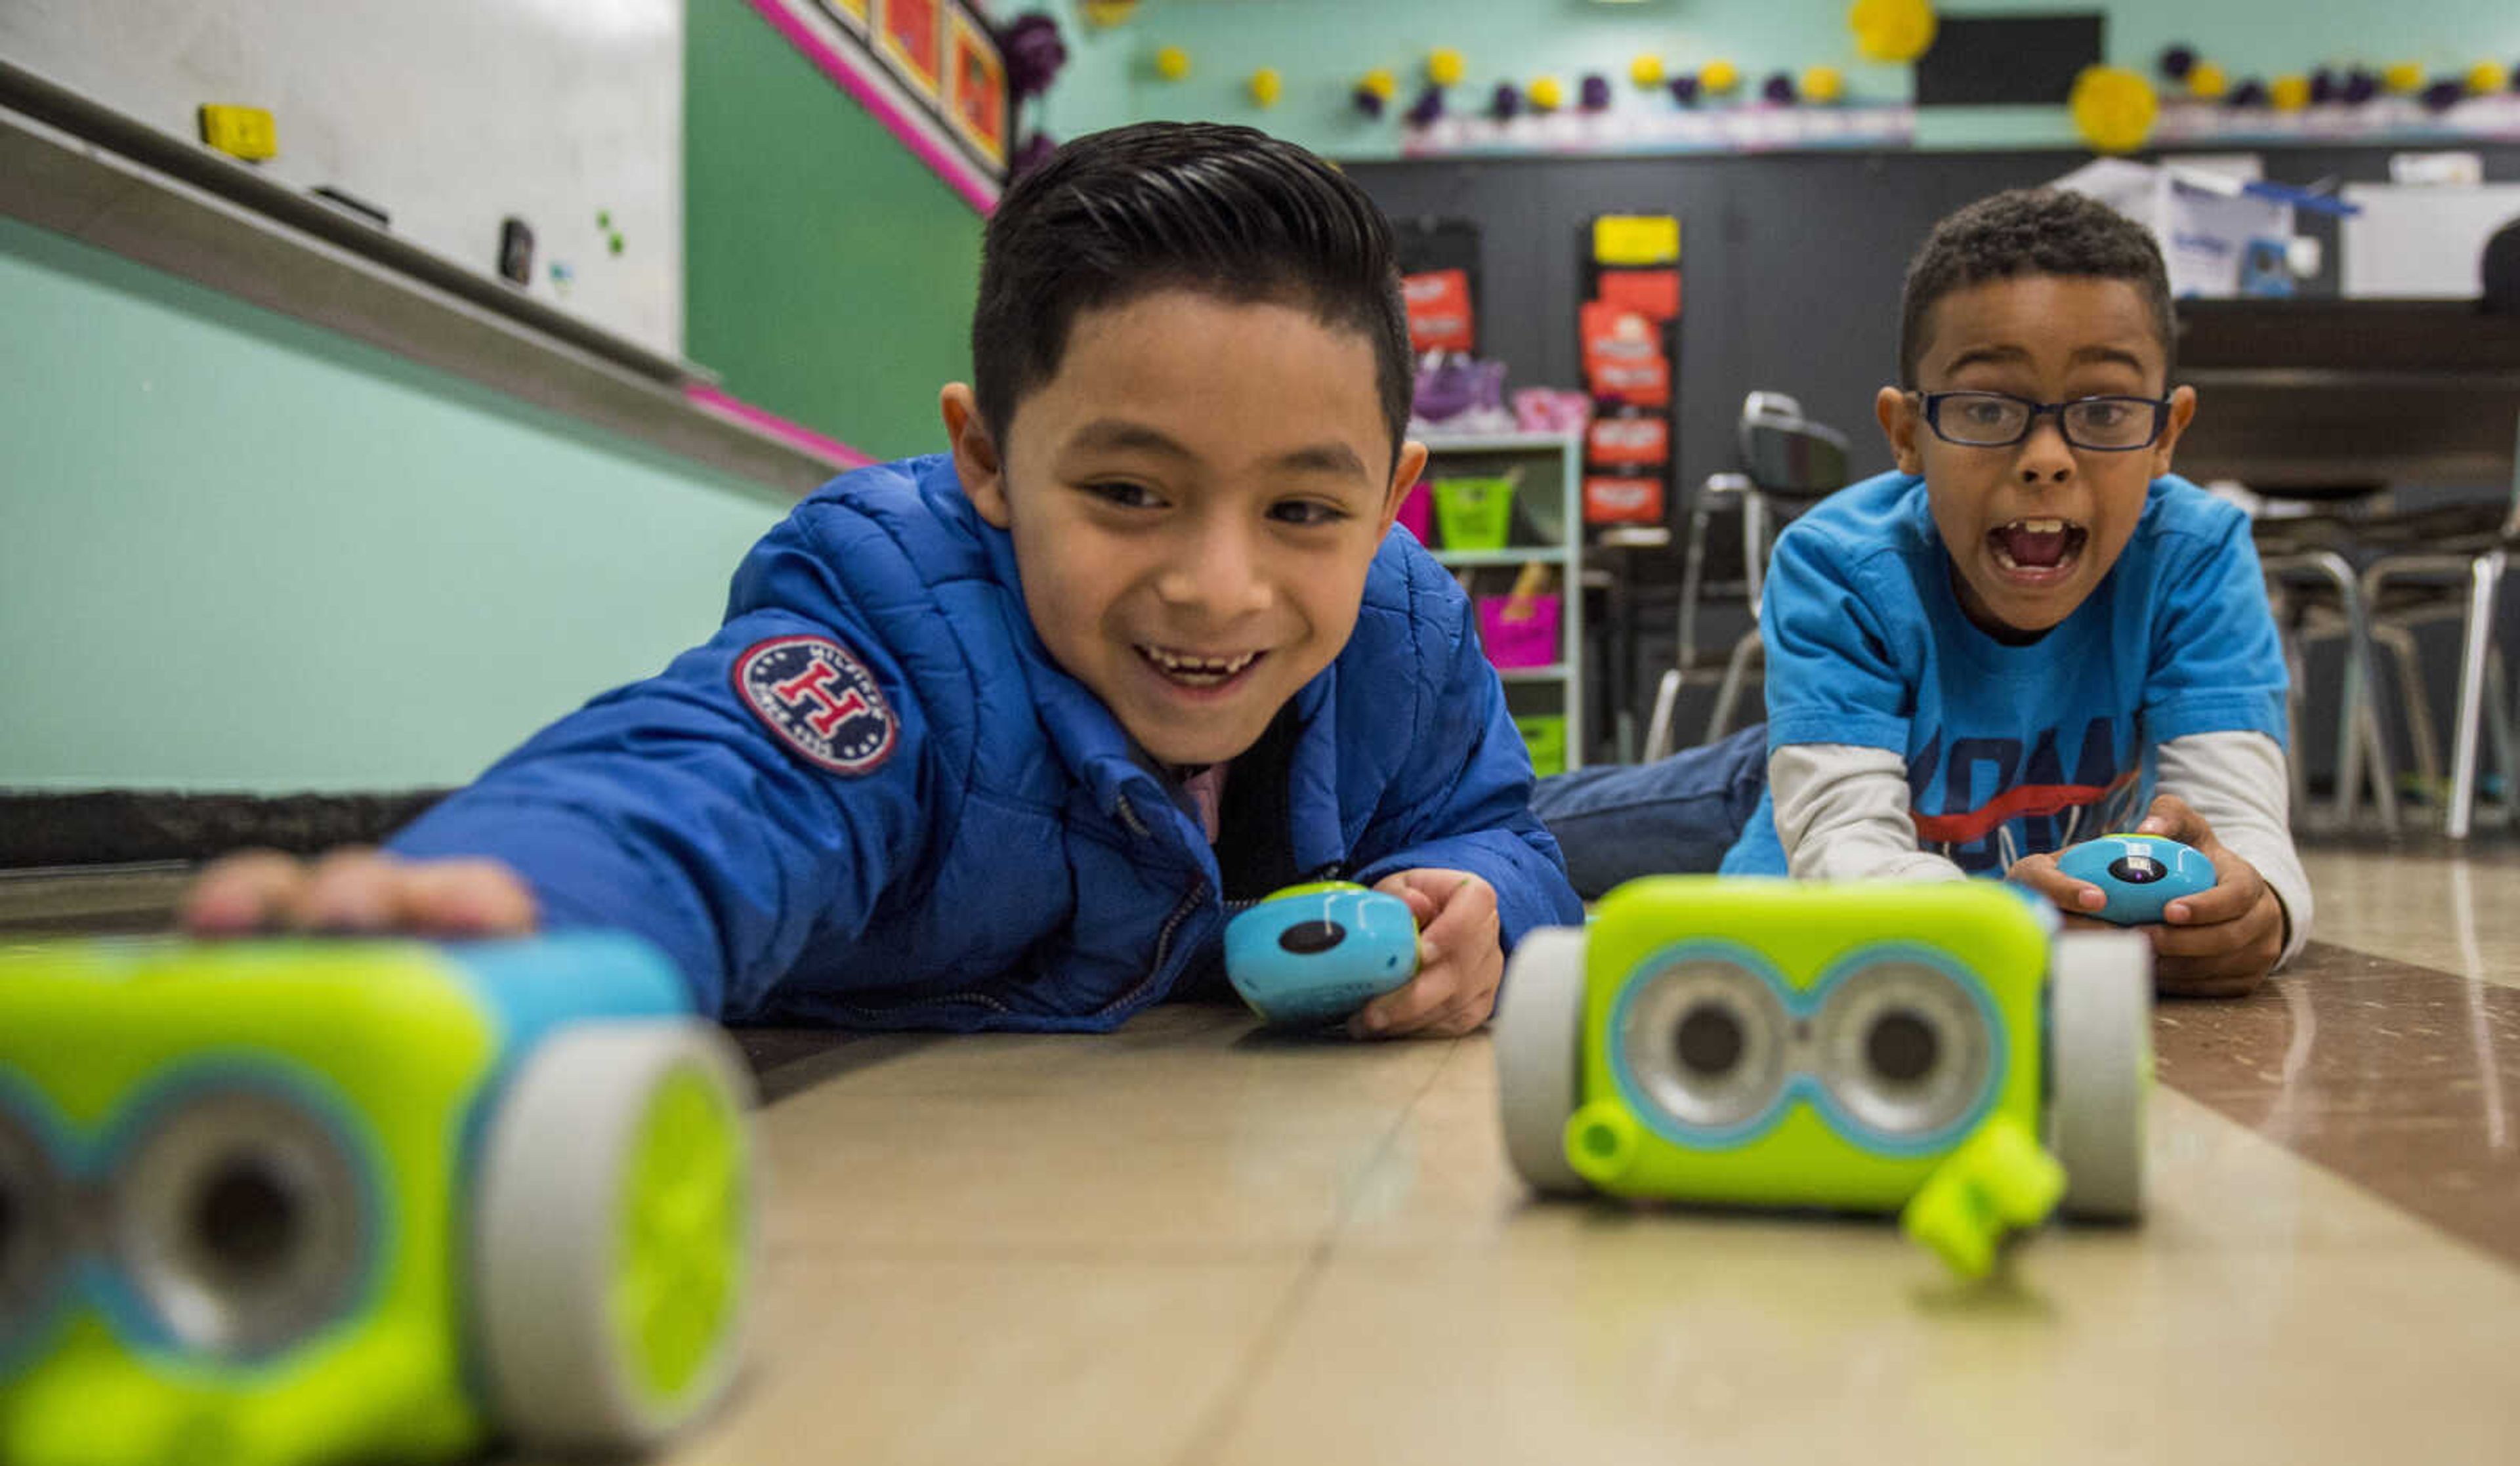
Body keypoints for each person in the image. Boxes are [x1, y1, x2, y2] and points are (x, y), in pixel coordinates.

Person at [182, 122, 1582, 1034]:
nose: (1220, 587)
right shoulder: (895, 612)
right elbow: (705, 786)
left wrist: (1470, 900)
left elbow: (1504, 831)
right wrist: (508, 917)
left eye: (1301, 508)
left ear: (1396, 504)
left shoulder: (1408, 626)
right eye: (1128, 493)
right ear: (984, 457)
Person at [1536, 186, 2308, 997]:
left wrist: (2257, 908)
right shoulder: (1842, 564)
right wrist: (2017, 924)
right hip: (1806, 773)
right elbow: (1843, 849)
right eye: (1984, 407)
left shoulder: (2199, 556)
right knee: (1514, 828)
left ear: (2167, 435)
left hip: (1880, 778)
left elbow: (2246, 834)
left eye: (2108, 409)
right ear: (1906, 433)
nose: (2047, 458)